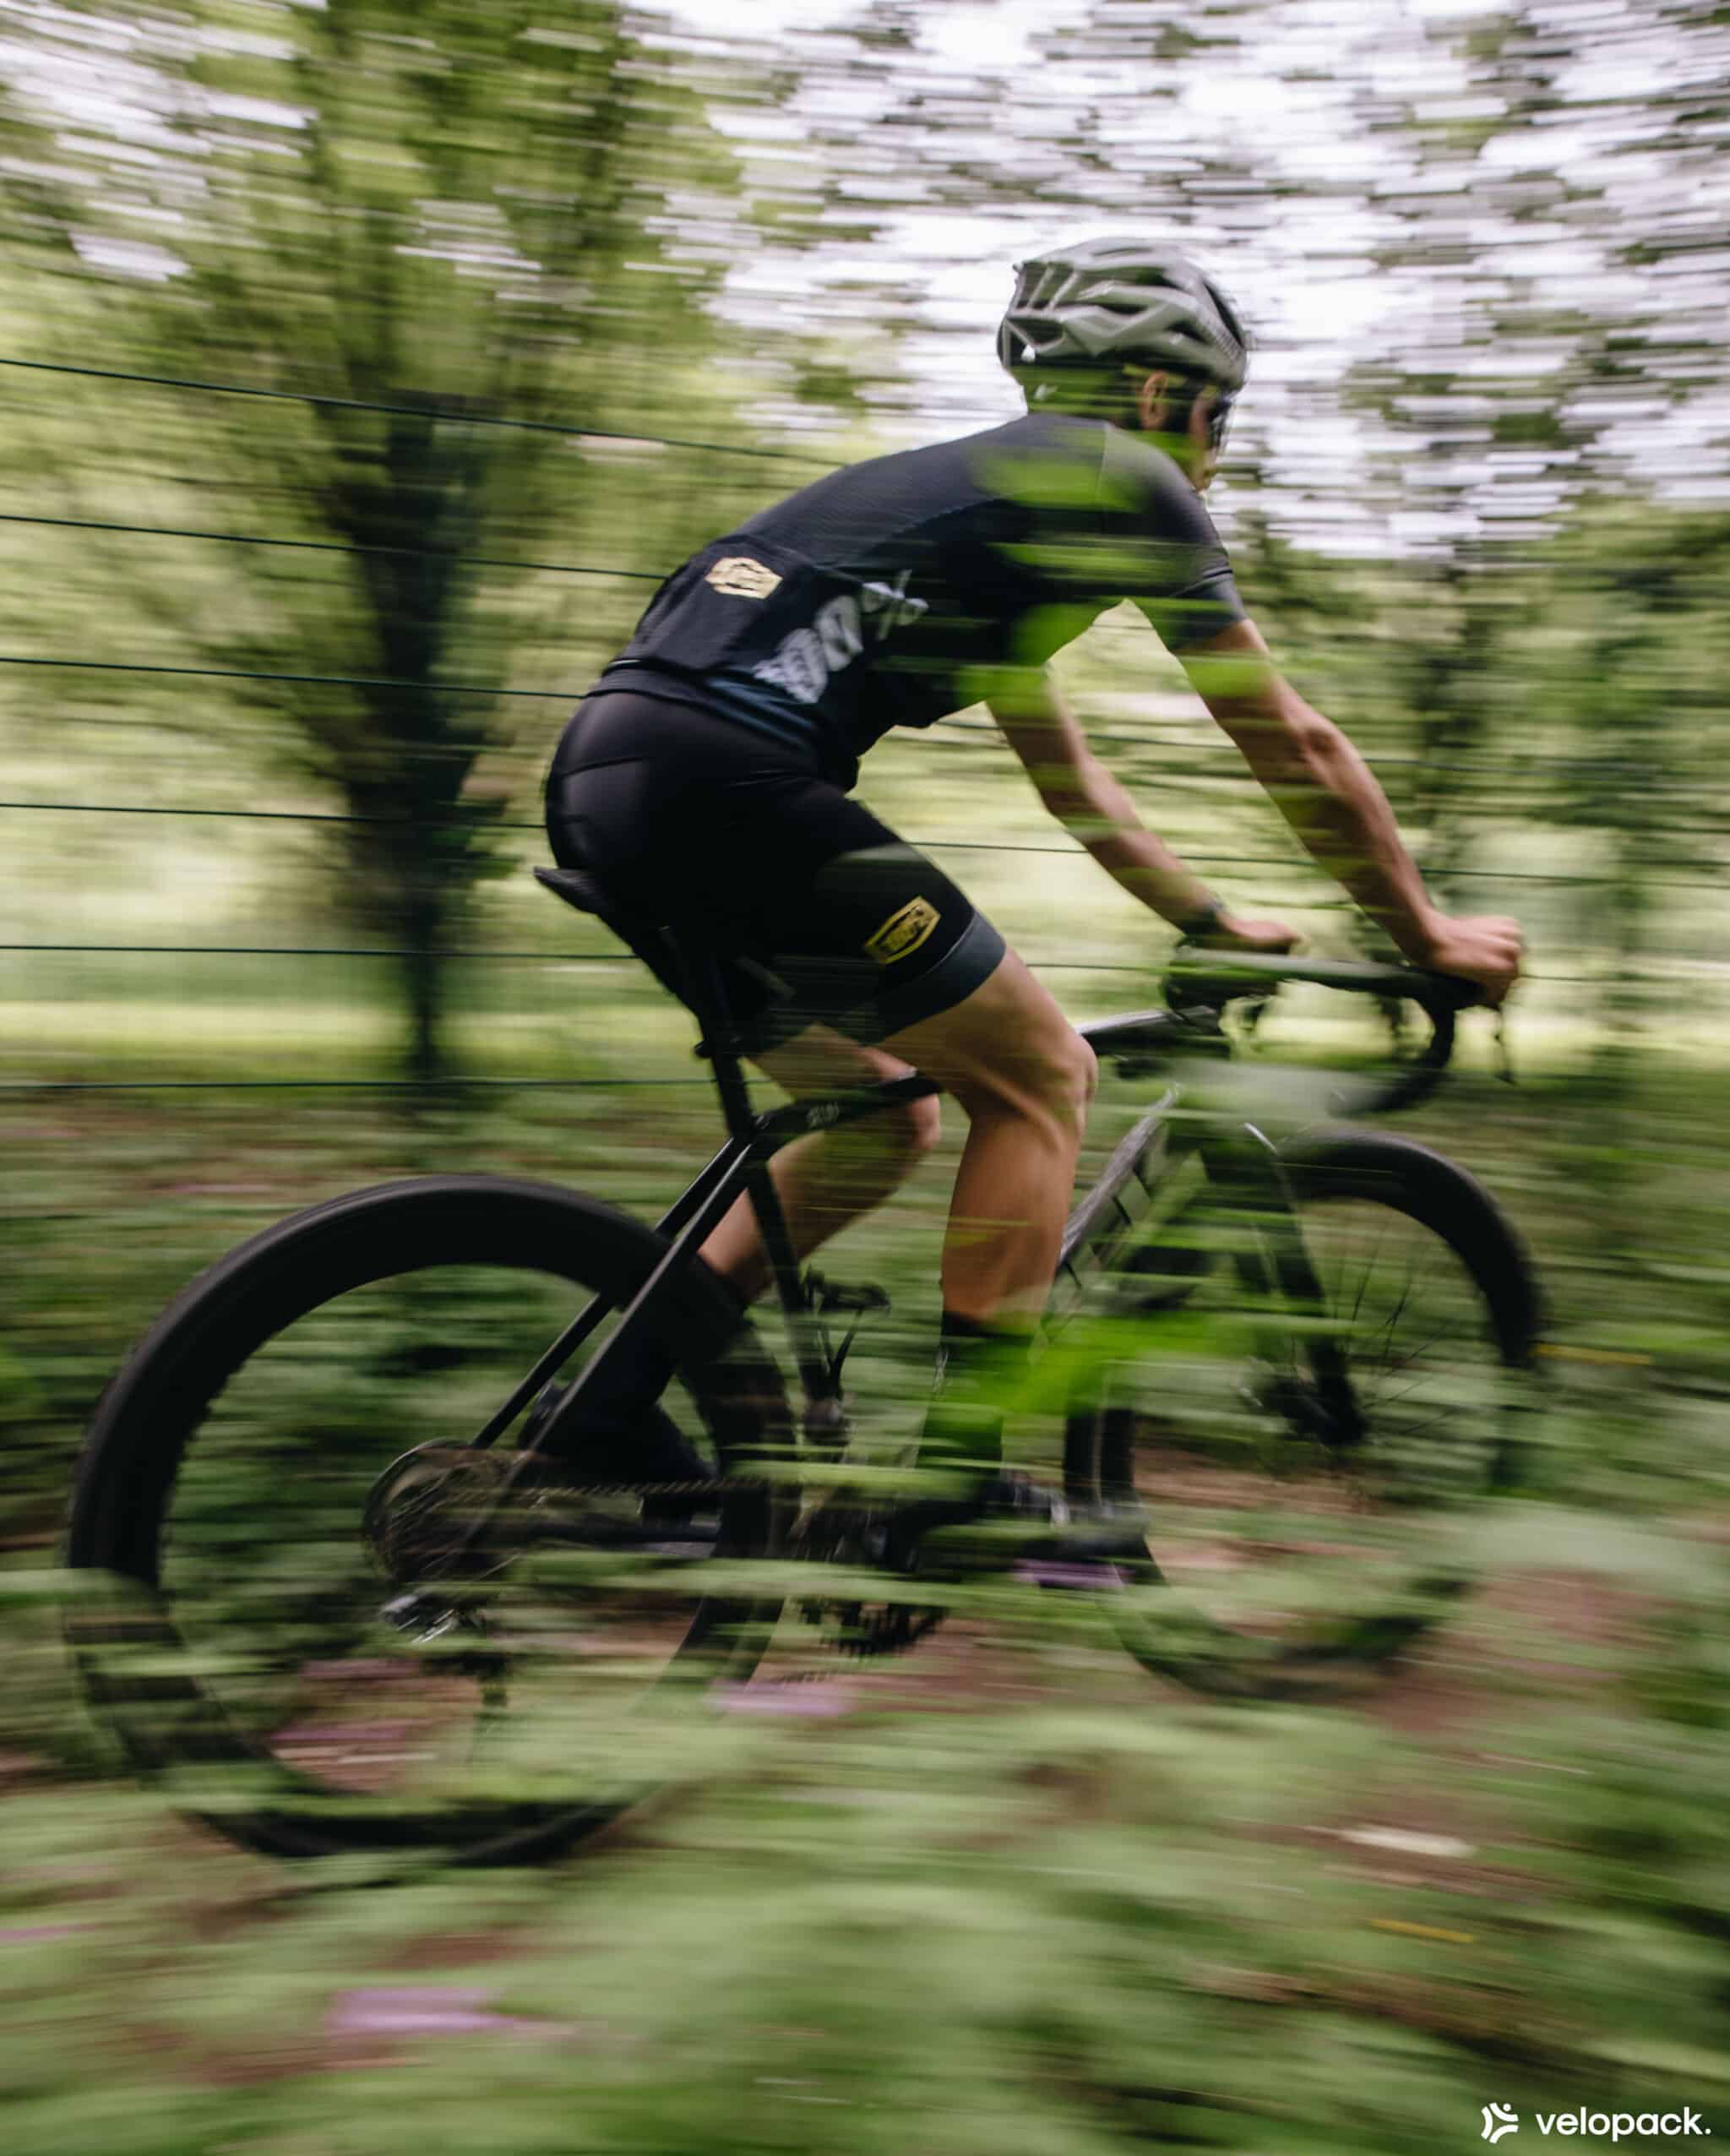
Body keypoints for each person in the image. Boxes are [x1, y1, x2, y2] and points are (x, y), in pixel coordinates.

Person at [541, 235, 1523, 1504]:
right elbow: (1290, 738)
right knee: (1044, 1074)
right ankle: (958, 1485)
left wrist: (1210, 915)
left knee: (884, 1115)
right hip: (729, 787)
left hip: (612, 780)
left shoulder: (981, 530)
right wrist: (1424, 931)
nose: (1216, 455)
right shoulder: (1124, 477)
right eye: (1218, 417)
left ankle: (607, 1411)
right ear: (1161, 396)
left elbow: (1078, 790)